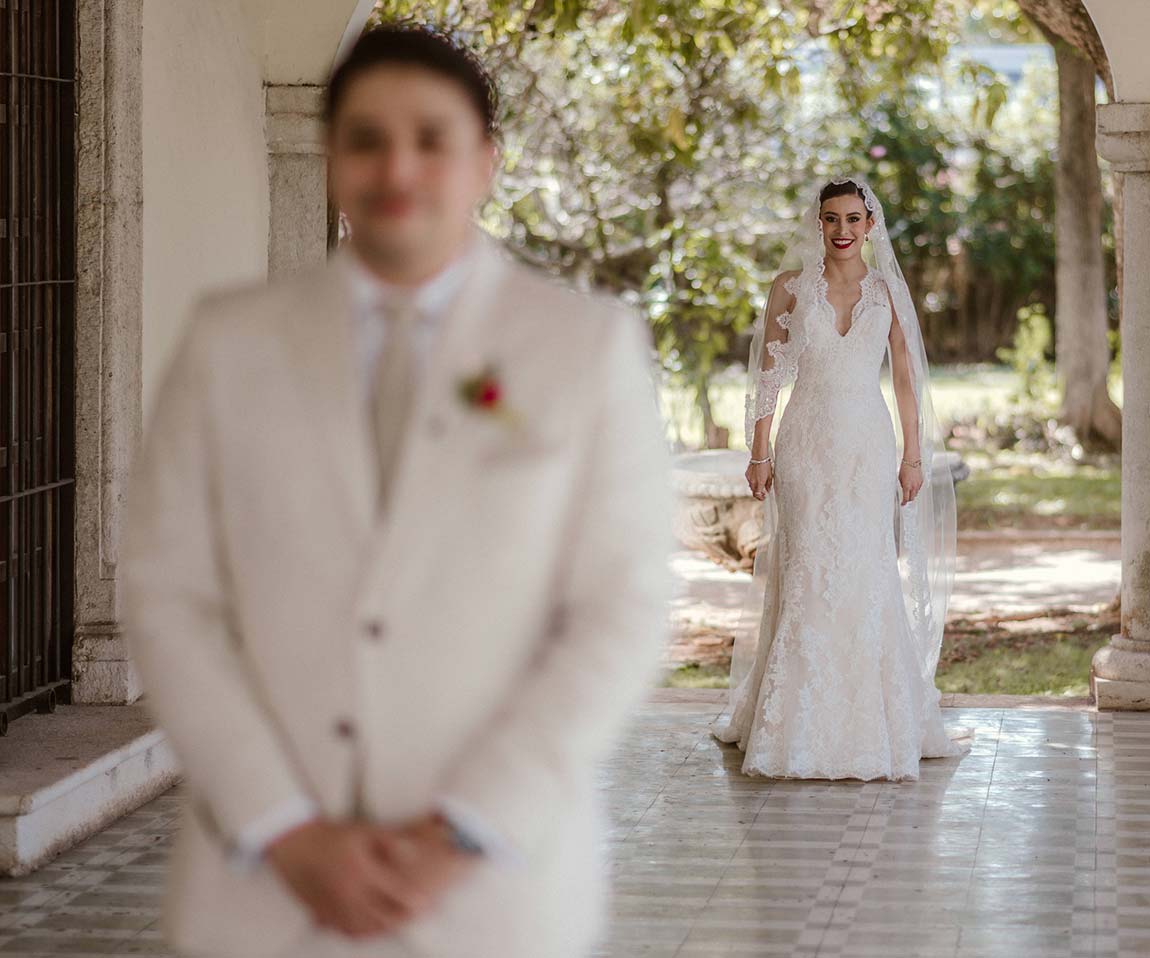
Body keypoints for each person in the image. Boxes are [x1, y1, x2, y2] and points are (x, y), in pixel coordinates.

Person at [119, 26, 673, 958]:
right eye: (366, 138)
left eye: (431, 138)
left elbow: (621, 610)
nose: (397, 166)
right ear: (331, 159)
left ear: (486, 162)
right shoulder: (230, 345)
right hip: (260, 894)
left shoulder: (584, 347)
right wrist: (283, 827)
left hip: (495, 890)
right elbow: (168, 594)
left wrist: (460, 829)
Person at [711, 175, 972, 780]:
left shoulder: (889, 293)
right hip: (804, 442)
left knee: (866, 564)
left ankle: (873, 719)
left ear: (870, 225)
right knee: (807, 565)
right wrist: (758, 452)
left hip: (866, 445)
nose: (843, 231)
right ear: (818, 224)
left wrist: (913, 456)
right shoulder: (789, 288)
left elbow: (906, 380)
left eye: (854, 219)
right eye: (832, 219)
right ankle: (791, 723)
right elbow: (768, 378)